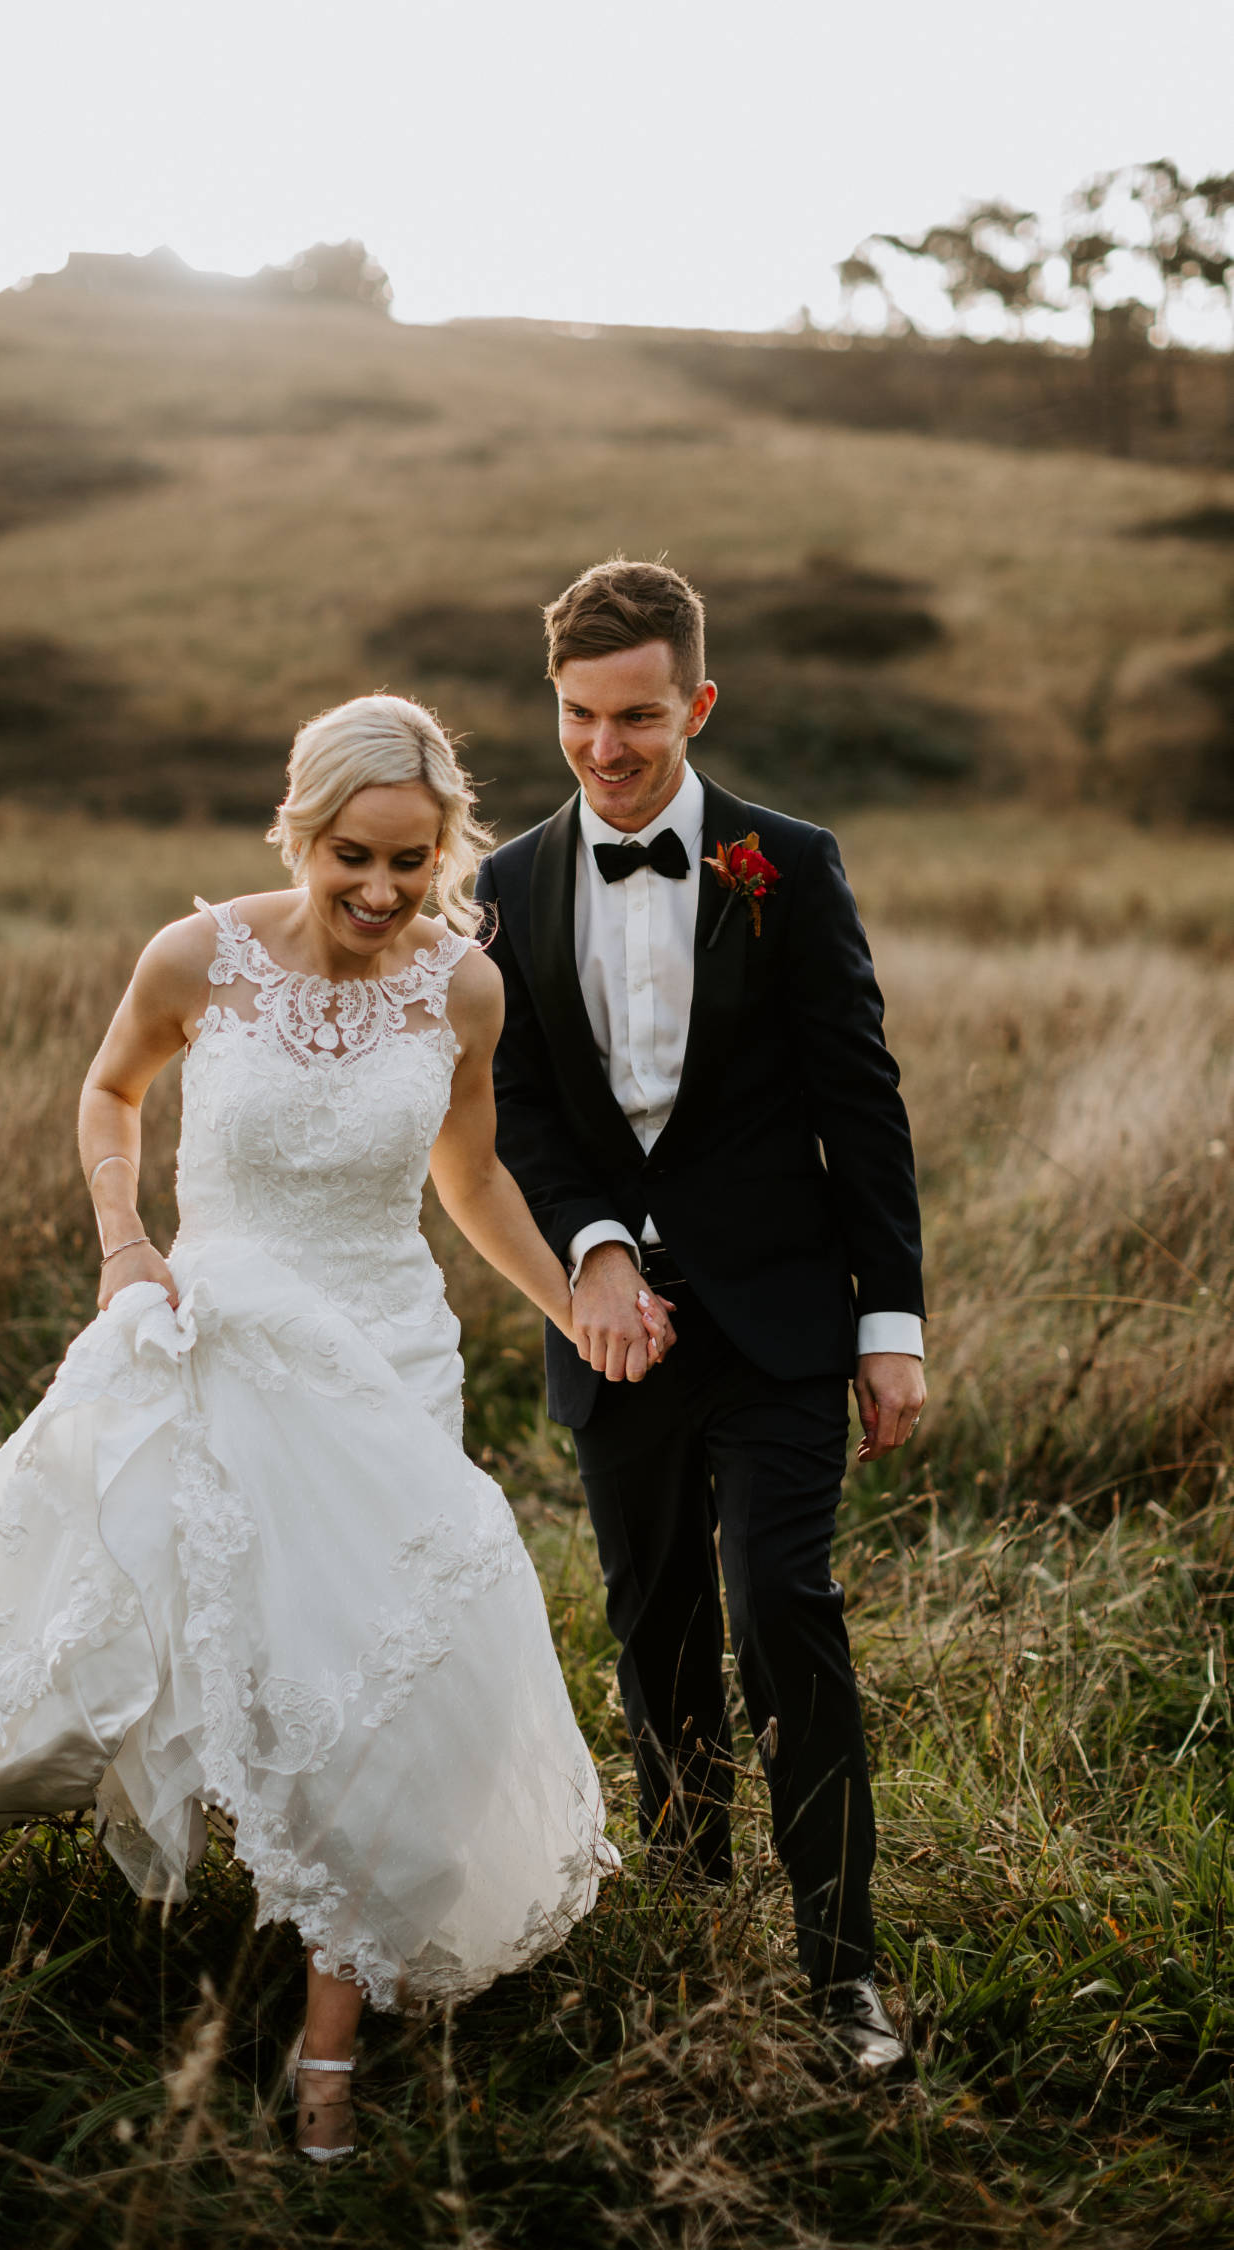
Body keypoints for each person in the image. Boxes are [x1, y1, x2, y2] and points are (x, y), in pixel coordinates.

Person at [0, 694, 657, 2160]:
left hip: (386, 1357)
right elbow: (111, 1092)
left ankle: (328, 2054)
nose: (380, 892)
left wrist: (574, 1306)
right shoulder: (198, 956)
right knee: (208, 1646)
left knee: (371, 1677)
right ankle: (175, 1916)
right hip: (217, 1335)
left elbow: (474, 1181)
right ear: (300, 832)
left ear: (447, 852)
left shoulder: (462, 989)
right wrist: (124, 1243)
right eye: (352, 858)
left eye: (413, 863)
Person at [473, 559, 927, 2075]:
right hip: (610, 1328)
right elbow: (516, 1103)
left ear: (699, 704)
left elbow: (861, 1100)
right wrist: (593, 1248)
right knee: (653, 1620)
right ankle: (684, 1900)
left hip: (788, 1316)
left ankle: (844, 1969)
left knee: (778, 1610)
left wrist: (893, 1319)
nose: (608, 747)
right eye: (582, 716)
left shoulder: (786, 863)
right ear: (557, 705)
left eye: (641, 717)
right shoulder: (510, 883)